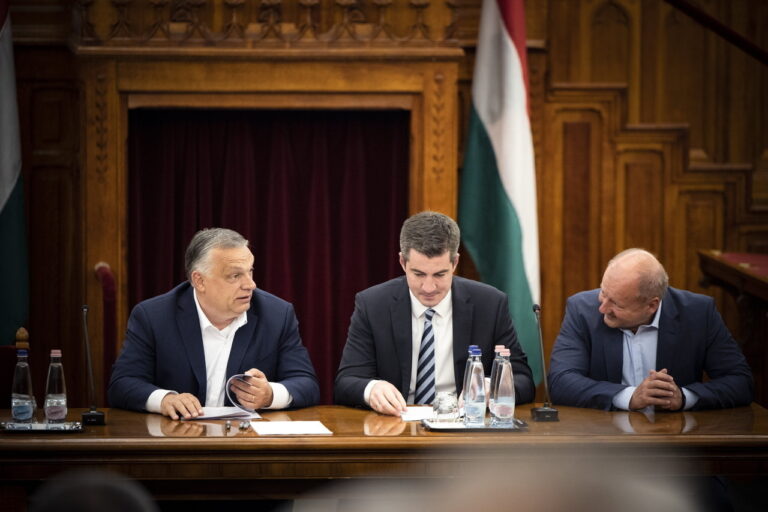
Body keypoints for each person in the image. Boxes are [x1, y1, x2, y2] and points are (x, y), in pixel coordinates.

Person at [334, 211, 535, 416]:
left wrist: (493, 387)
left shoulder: (490, 304)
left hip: (465, 426)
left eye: (439, 274)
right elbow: (346, 381)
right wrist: (372, 389)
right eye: (418, 274)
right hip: (396, 425)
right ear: (402, 262)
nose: (428, 287)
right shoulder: (373, 305)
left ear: (454, 263)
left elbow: (524, 380)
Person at [109, 228, 319, 419]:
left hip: (246, 441)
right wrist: (164, 400)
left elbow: (306, 383)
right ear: (199, 281)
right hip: (176, 439)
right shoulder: (153, 316)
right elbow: (122, 384)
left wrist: (269, 394)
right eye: (235, 275)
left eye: (250, 271)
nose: (250, 284)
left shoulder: (276, 314)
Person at [548, 248, 753, 411]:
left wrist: (683, 397)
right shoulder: (582, 310)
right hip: (605, 437)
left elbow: (741, 382)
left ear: (651, 305)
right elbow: (560, 382)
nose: (602, 308)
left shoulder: (698, 313)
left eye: (616, 304)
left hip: (675, 439)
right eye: (603, 292)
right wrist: (629, 397)